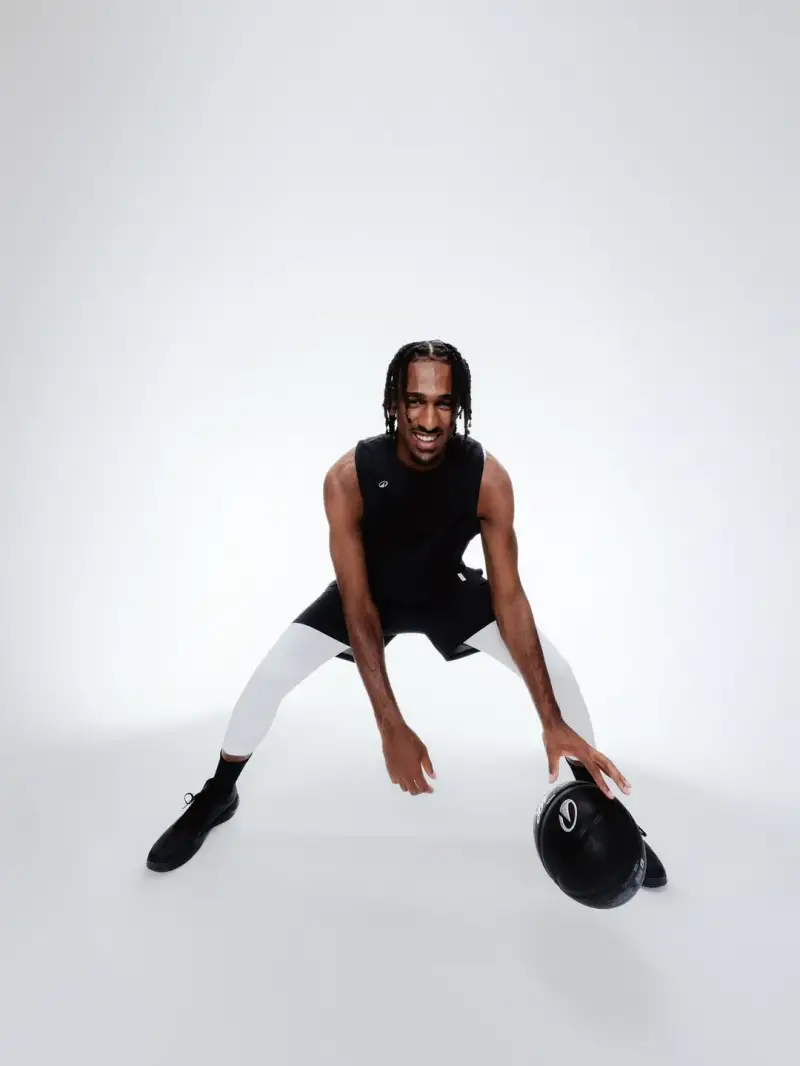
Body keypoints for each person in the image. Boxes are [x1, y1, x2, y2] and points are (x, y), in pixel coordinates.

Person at [146, 340, 667, 888]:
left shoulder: (488, 480)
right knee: (271, 675)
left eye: (443, 403)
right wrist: (390, 724)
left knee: (558, 673)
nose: (428, 419)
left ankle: (603, 803)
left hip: (447, 591)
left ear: (460, 407)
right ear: (394, 402)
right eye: (415, 401)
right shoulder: (348, 479)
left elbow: (510, 598)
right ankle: (219, 793)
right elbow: (357, 607)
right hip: (370, 594)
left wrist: (551, 719)